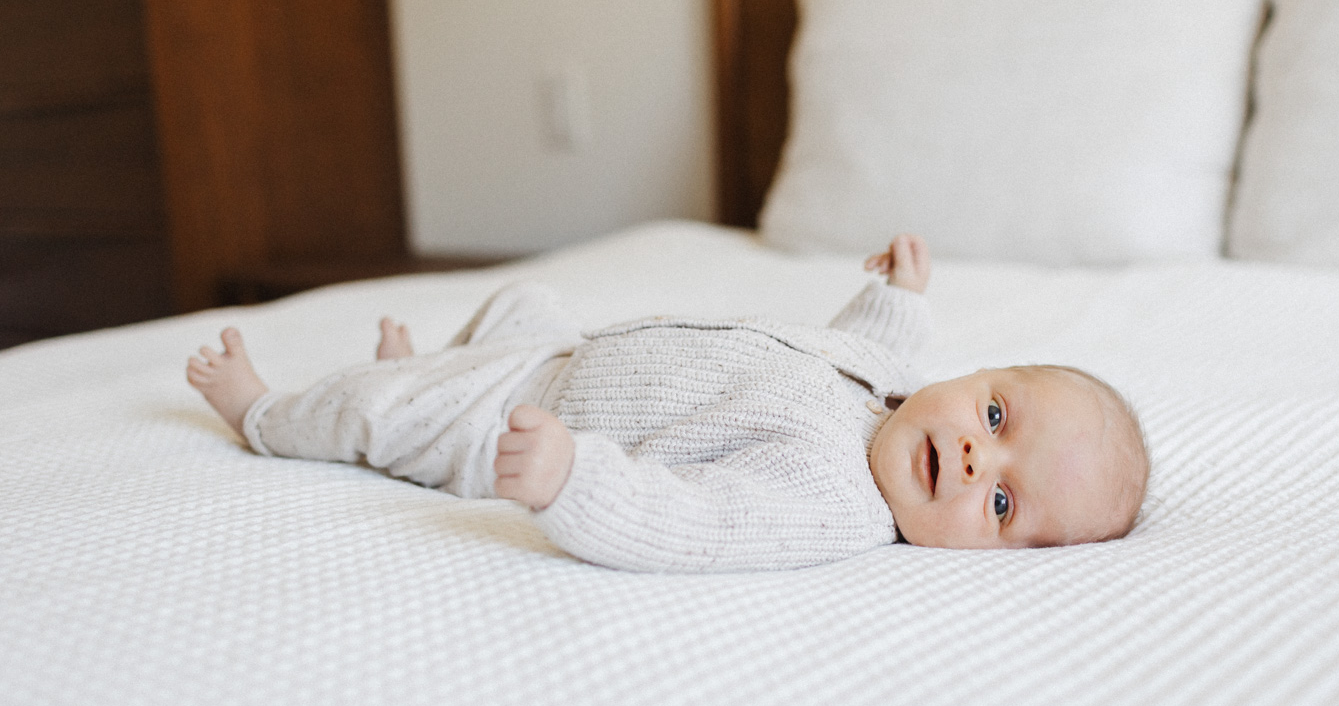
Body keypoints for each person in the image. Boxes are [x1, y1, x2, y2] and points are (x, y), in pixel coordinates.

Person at [187, 235, 1149, 572]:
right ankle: (442, 356)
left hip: (525, 428)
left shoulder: (829, 502)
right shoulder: (892, 394)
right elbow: (870, 346)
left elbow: (691, 525)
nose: (981, 460)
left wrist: (573, 482)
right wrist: (896, 298)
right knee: (525, 298)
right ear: (975, 379)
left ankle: (265, 413)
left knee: (381, 411)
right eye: (996, 416)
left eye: (1005, 505)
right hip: (565, 354)